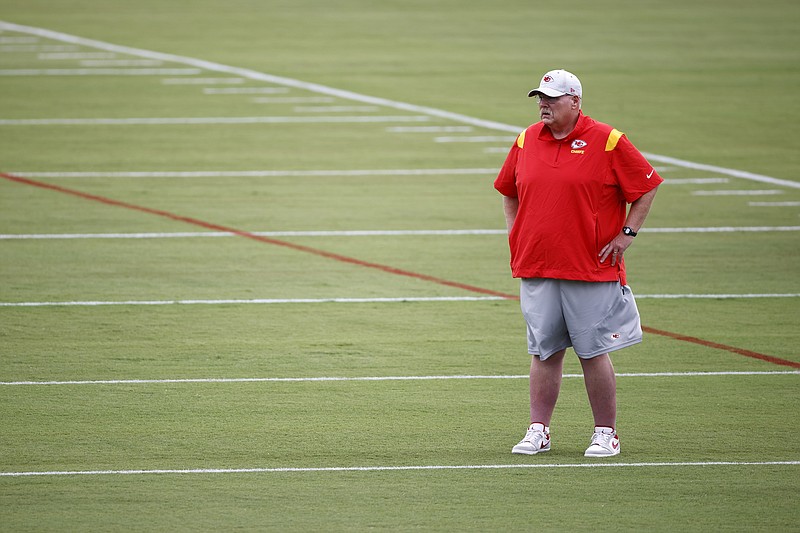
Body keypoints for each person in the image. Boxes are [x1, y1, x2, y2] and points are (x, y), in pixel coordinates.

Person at [494, 69, 662, 457]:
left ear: (575, 102)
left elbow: (647, 185)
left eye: (552, 99)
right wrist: (516, 235)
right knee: (544, 351)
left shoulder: (608, 140)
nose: (543, 105)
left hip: (590, 267)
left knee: (592, 350)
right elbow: (509, 192)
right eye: (540, 98)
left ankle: (606, 432)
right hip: (538, 265)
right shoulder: (525, 139)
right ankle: (539, 429)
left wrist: (628, 234)